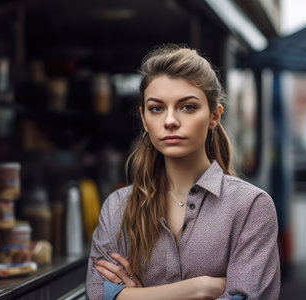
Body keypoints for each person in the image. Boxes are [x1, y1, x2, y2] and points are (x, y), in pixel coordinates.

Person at [86, 44, 280, 300]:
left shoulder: (251, 206)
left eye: (187, 107)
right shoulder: (117, 207)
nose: (170, 121)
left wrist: (136, 296)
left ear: (214, 116)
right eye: (157, 108)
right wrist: (200, 288)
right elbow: (98, 293)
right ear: (144, 119)